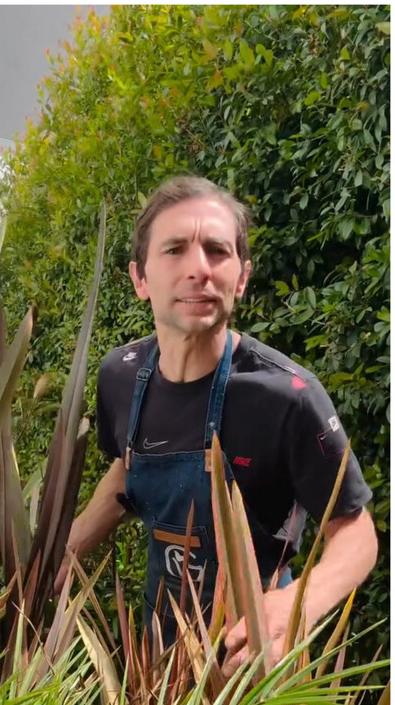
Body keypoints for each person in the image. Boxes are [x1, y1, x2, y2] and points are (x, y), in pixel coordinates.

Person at [61, 177, 377, 671]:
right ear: (140, 279)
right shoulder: (120, 376)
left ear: (241, 277)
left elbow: (357, 534)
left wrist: (294, 609)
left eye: (217, 250)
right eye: (174, 250)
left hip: (254, 663)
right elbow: (128, 468)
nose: (199, 269)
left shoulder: (288, 397)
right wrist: (62, 555)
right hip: (158, 658)